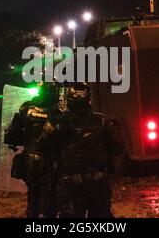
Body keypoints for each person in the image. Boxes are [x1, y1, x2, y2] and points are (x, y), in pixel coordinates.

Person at [38, 82, 124, 218]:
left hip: (69, 184)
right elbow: (118, 148)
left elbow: (42, 147)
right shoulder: (102, 121)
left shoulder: (57, 123)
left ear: (68, 100)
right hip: (98, 182)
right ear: (89, 100)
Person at [4, 82, 63, 218]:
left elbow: (12, 135)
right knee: (50, 196)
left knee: (33, 194)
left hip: (29, 160)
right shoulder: (58, 112)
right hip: (50, 161)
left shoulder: (26, 109)